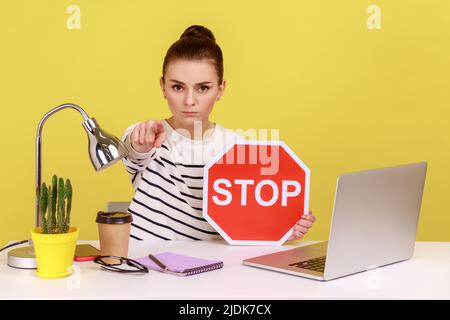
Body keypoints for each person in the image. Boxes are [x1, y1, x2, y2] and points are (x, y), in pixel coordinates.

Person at [121, 25, 316, 241]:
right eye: (178, 87)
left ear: (220, 89)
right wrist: (140, 141)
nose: (189, 101)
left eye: (202, 88)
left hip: (207, 269)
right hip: (143, 265)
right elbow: (134, 148)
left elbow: (250, 221)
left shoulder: (237, 148)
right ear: (163, 87)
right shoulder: (148, 136)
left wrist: (282, 230)